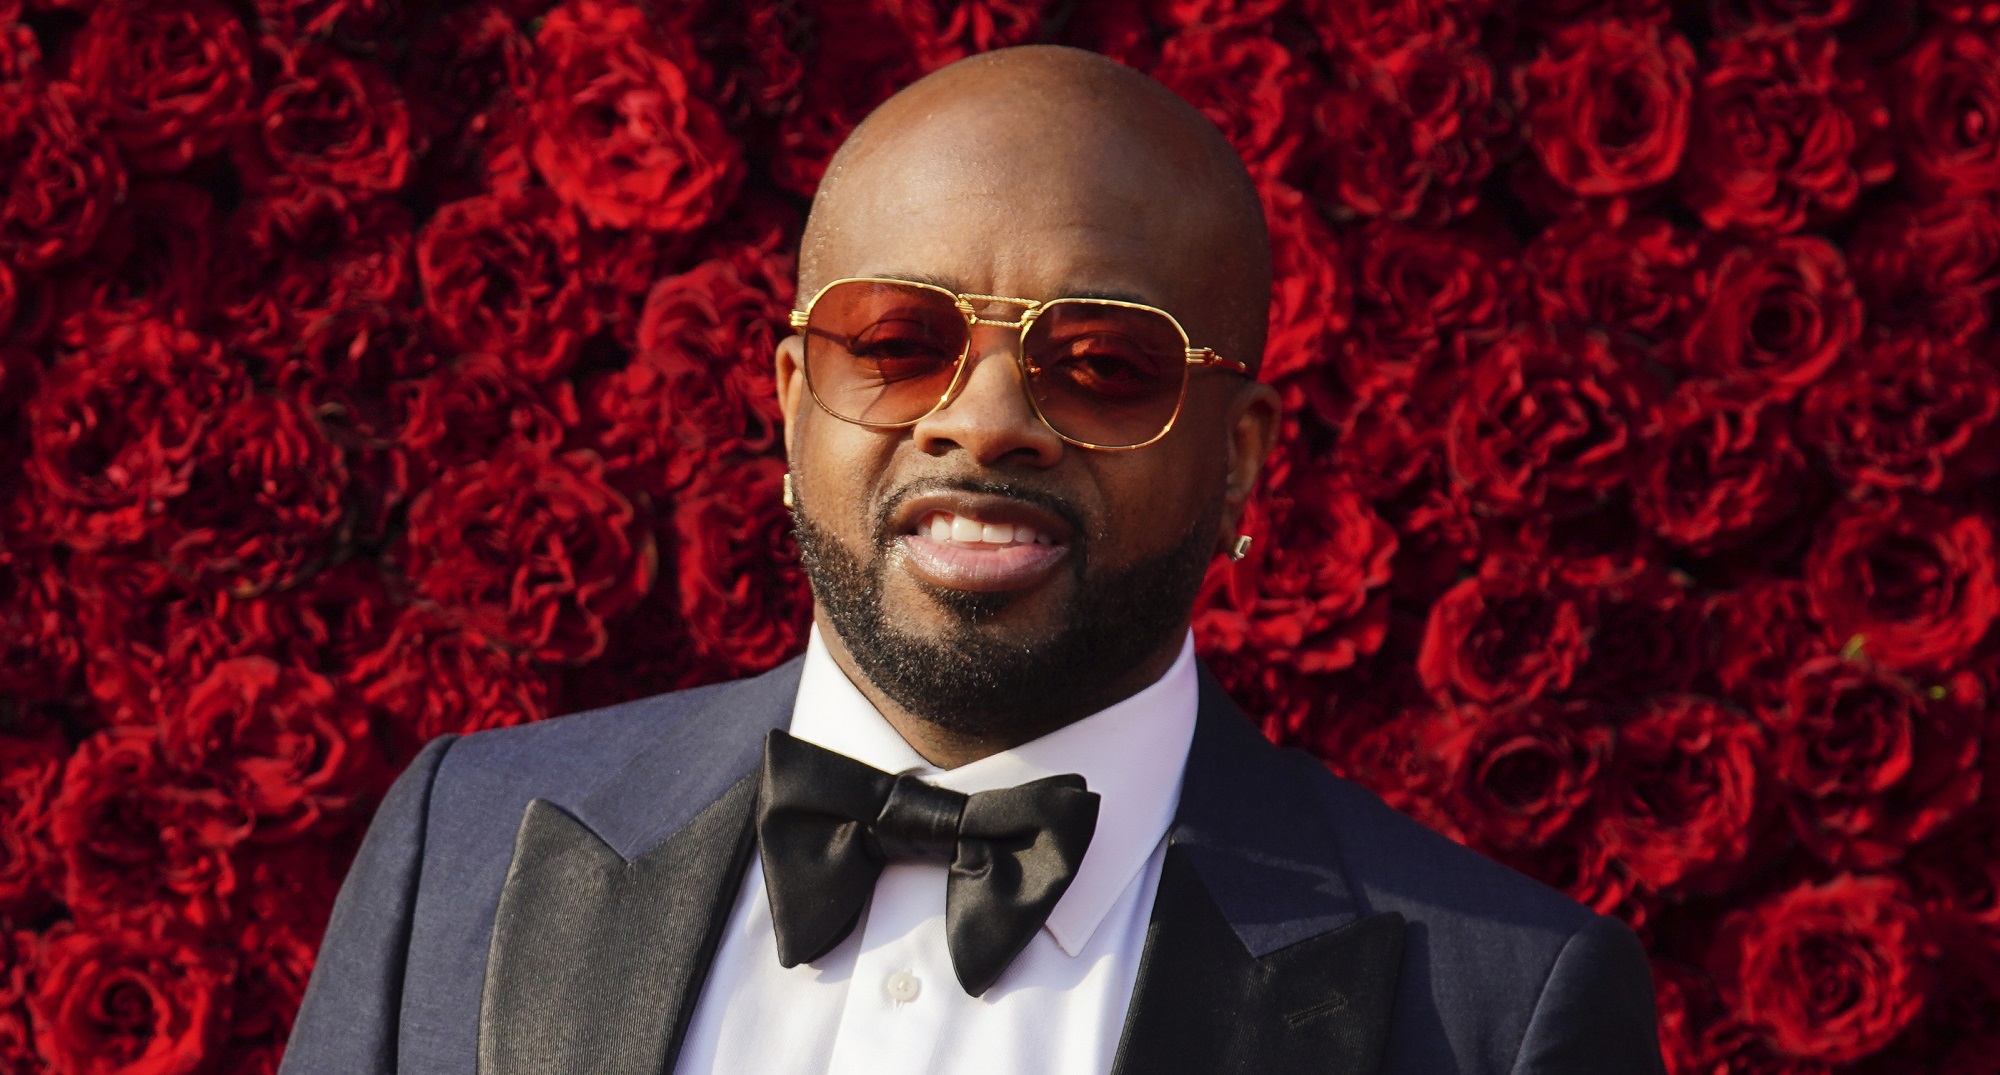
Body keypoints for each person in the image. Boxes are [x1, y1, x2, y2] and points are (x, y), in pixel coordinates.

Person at [279, 45, 1666, 1075]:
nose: (984, 418)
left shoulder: (1499, 1009)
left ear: (1240, 458)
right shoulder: (465, 844)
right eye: (896, 342)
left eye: (1105, 364)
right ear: (792, 402)